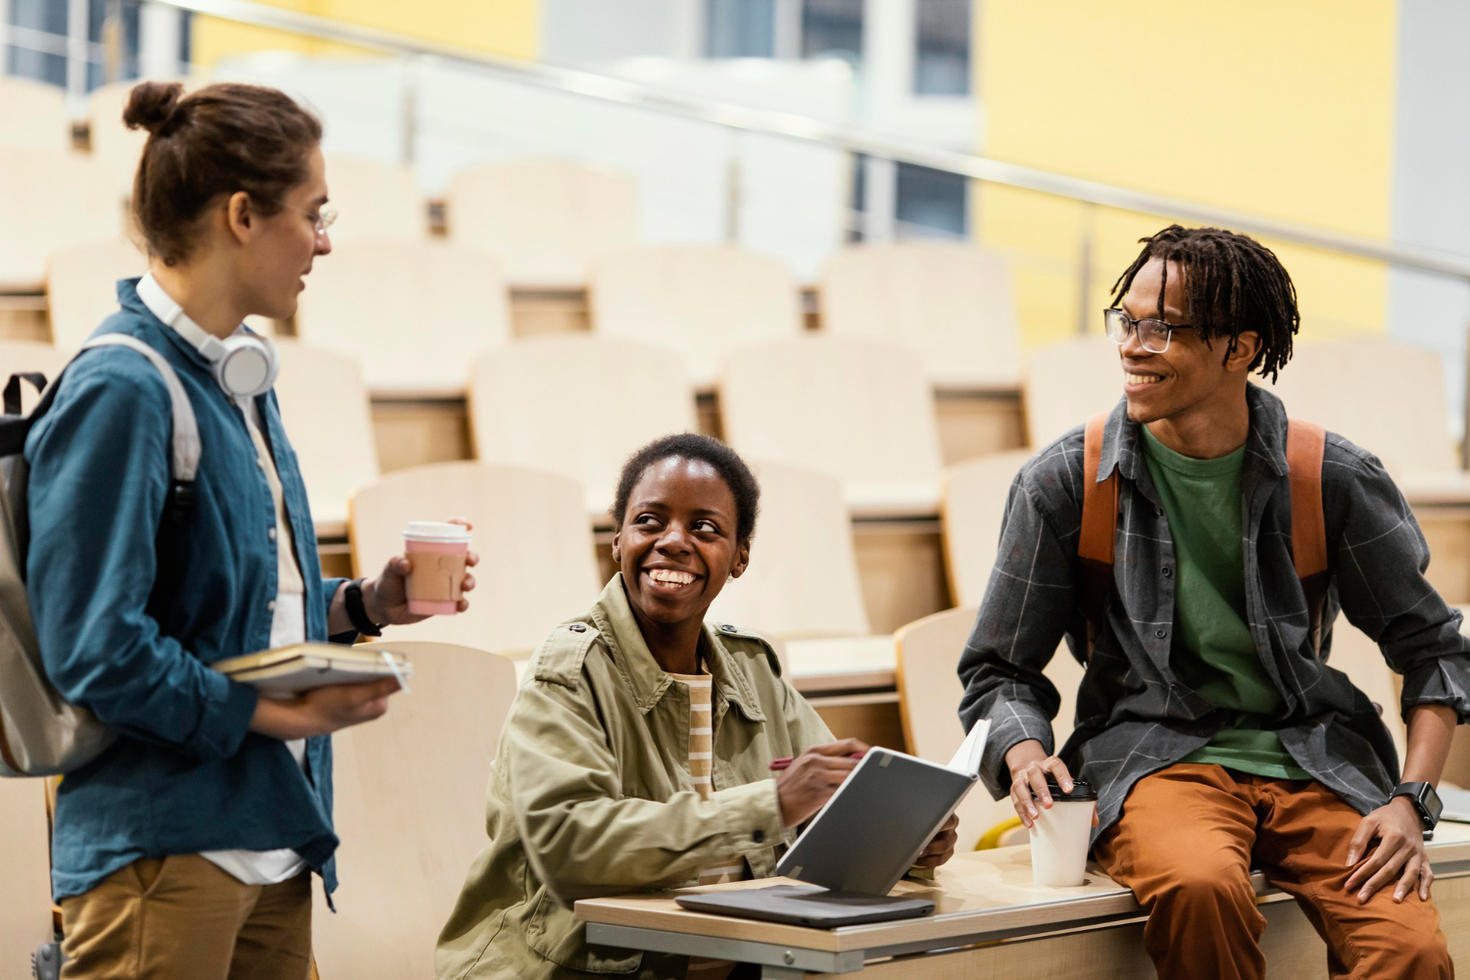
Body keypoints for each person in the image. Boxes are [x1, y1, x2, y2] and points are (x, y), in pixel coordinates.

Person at [26, 80, 477, 980]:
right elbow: (96, 649)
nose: (324, 239)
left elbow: (234, 604)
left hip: (270, 834)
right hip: (165, 851)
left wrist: (360, 604)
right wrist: (276, 713)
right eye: (313, 213)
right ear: (242, 215)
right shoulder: (124, 387)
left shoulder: (241, 379)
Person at [958, 225, 1467, 979]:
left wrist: (1410, 800)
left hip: (1315, 758)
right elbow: (999, 669)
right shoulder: (1066, 480)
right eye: (1126, 323)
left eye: (1162, 328)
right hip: (1152, 757)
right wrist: (1025, 750)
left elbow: (1434, 652)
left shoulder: (1332, 477)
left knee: (1410, 948)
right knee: (1200, 889)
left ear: (1240, 348)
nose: (1133, 345)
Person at [437, 433, 957, 979]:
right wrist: (770, 803)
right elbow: (570, 846)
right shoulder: (569, 670)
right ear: (618, 542)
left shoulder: (752, 667)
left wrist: (906, 841)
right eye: (649, 521)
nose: (673, 541)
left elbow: (832, 808)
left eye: (704, 528)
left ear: (739, 558)